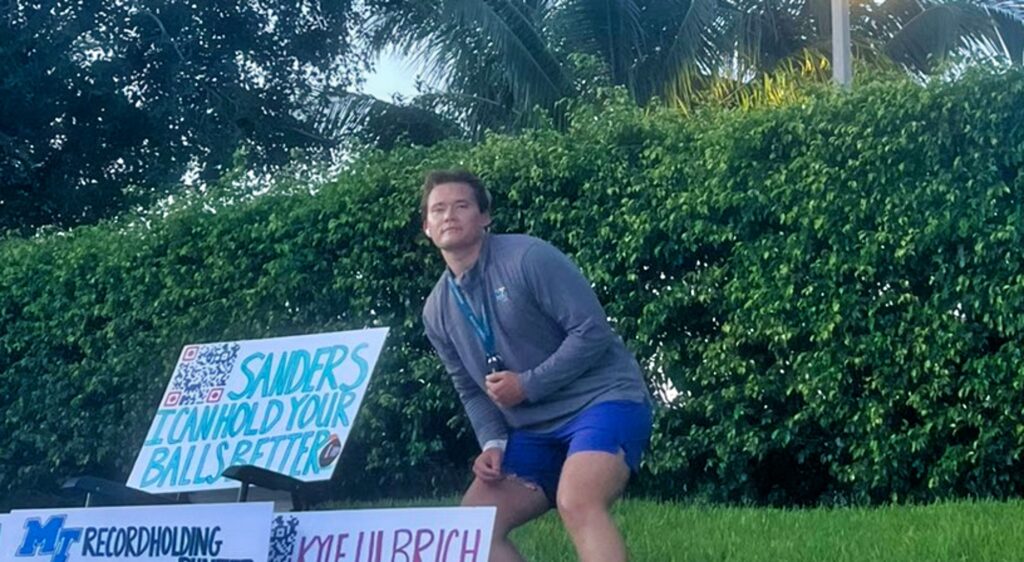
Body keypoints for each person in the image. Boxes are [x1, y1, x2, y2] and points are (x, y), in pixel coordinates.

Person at [420, 169, 653, 562]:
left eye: (461, 206)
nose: (449, 216)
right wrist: (492, 443)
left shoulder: (528, 257)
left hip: (602, 401)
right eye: (438, 209)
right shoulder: (436, 310)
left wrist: (528, 385)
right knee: (470, 530)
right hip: (530, 431)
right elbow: (470, 390)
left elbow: (592, 332)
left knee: (577, 501)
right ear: (426, 227)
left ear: (485, 216)